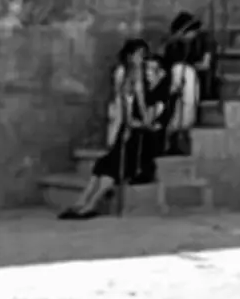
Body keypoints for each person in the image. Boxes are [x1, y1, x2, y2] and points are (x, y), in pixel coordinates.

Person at [58, 38, 167, 220]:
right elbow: (125, 101)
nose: (142, 59)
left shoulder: (140, 77)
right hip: (124, 125)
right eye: (139, 54)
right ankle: (81, 202)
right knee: (103, 165)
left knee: (111, 168)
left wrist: (142, 123)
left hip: (133, 132)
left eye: (143, 55)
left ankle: (90, 205)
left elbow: (141, 104)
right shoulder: (124, 73)